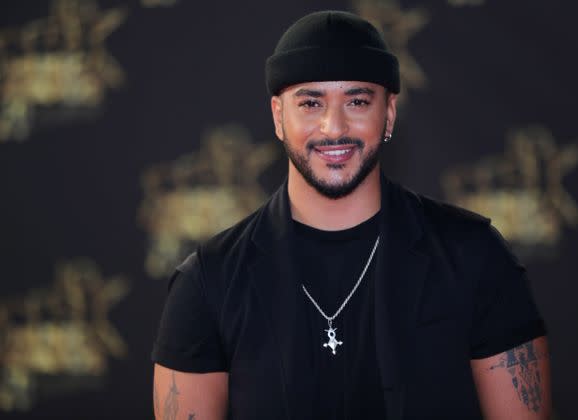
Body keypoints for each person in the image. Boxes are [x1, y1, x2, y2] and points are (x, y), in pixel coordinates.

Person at [151, 10, 551, 420]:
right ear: (277, 116)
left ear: (389, 113)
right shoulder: (209, 281)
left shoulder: (474, 257)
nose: (333, 127)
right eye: (310, 103)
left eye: (357, 101)